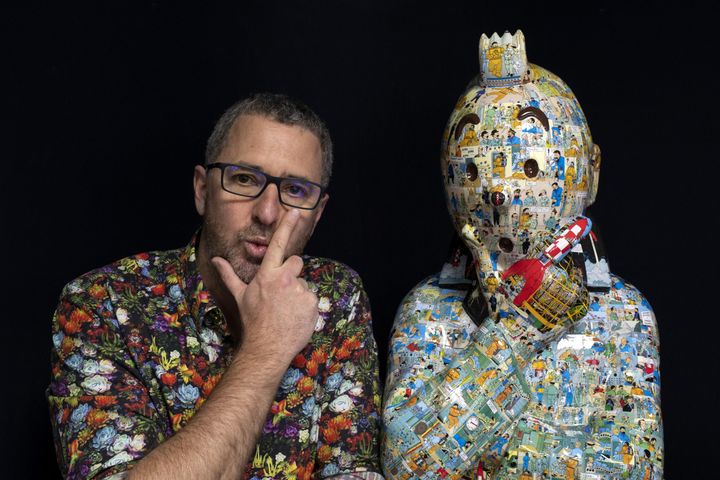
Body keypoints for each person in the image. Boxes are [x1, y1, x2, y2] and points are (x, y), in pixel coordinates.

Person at [47, 93, 384, 480]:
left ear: (318, 213)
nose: (268, 213)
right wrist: (266, 348)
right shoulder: (102, 305)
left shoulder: (337, 297)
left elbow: (352, 471)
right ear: (203, 190)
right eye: (244, 179)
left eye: (294, 191)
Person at [381, 30, 663, 479]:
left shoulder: (625, 314)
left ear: (589, 172)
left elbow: (637, 468)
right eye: (474, 170)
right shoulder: (426, 310)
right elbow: (404, 467)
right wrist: (515, 332)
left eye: (528, 167)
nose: (496, 191)